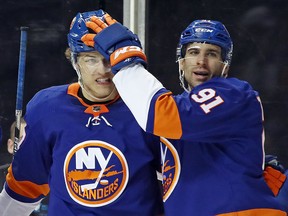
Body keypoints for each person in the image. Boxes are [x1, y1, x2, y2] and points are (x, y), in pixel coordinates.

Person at [80, 11, 287, 215]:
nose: (201, 61)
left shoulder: (235, 93)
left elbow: (161, 114)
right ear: (181, 61)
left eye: (212, 54)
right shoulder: (180, 112)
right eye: (194, 52)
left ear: (225, 66)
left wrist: (123, 55)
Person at [0, 10, 163, 216]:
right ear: (75, 62)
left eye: (109, 58)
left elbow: (182, 181)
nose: (103, 70)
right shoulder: (46, 108)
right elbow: (23, 189)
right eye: (91, 59)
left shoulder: (148, 106)